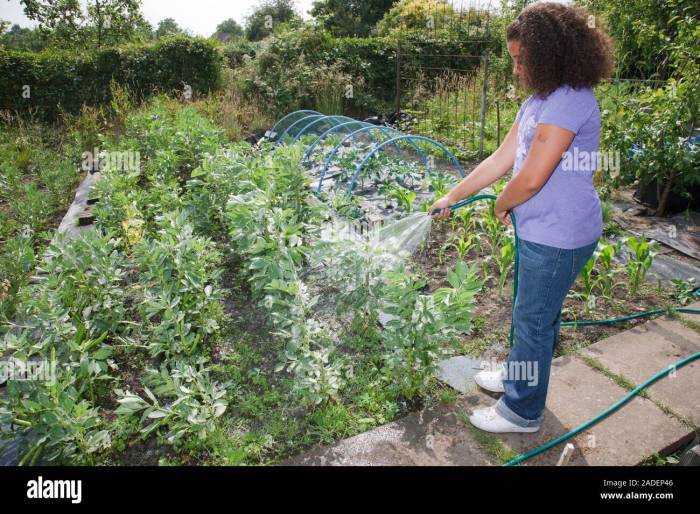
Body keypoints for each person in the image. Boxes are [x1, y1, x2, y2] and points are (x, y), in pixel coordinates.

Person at [429, 2, 614, 433]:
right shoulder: (539, 101)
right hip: (541, 231)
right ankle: (518, 376)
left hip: (560, 235)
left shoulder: (571, 101)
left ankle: (522, 411)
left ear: (549, 52)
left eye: (520, 59)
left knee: (533, 323)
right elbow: (502, 158)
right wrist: (451, 195)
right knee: (528, 313)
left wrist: (501, 204)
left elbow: (530, 177)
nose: (516, 69)